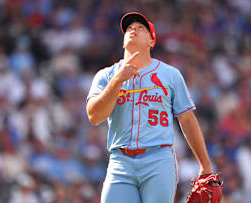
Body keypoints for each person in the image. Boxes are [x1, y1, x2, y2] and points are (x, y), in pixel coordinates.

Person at [86, 12, 214, 203]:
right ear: (123, 42)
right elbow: (94, 116)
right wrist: (117, 81)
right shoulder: (106, 76)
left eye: (140, 28)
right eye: (129, 28)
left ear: (151, 41)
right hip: (120, 161)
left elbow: (187, 120)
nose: (133, 30)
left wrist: (205, 165)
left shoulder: (170, 75)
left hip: (158, 159)